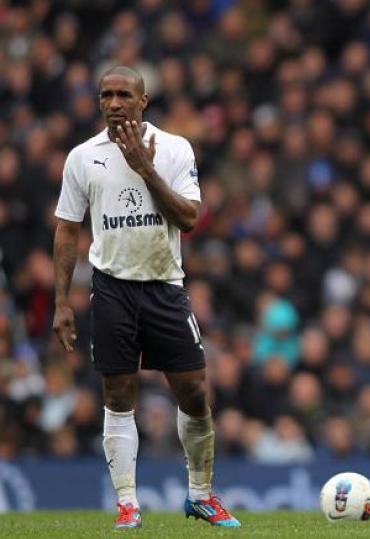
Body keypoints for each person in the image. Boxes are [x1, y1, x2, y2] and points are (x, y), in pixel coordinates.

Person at [52, 66, 241, 529]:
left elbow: (190, 217)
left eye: (123, 95)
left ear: (143, 101)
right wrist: (61, 301)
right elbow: (67, 228)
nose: (114, 103)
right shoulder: (82, 157)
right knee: (118, 393)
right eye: (106, 95)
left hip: (164, 285)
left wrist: (144, 168)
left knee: (194, 390)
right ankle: (128, 504)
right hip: (112, 287)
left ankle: (200, 495)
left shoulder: (174, 148)